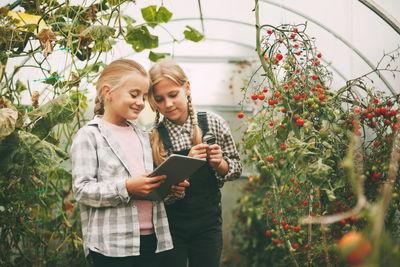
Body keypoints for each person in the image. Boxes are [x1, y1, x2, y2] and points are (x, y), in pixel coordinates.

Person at [70, 59, 179, 267]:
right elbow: (82, 190)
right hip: (113, 246)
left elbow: (149, 186)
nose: (141, 102)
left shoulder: (143, 134)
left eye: (144, 96)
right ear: (108, 92)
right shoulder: (89, 136)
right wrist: (127, 188)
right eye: (134, 94)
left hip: (153, 241)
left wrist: (169, 187)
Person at [148, 58, 243, 267]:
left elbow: (236, 168)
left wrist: (220, 164)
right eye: (160, 99)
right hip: (170, 228)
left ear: (187, 88)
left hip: (208, 225)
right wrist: (178, 180)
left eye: (173, 95)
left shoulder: (212, 123)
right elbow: (155, 193)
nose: (168, 104)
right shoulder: (154, 138)